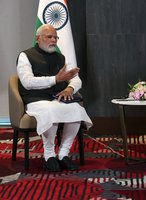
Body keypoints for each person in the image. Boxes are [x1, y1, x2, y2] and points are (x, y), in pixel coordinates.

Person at [17, 24, 93, 172]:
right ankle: (49, 155)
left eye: (55, 37)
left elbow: (76, 79)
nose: (53, 40)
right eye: (49, 37)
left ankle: (63, 154)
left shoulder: (61, 57)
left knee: (76, 109)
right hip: (36, 100)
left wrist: (70, 88)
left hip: (57, 99)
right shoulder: (25, 56)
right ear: (38, 38)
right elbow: (27, 82)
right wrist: (55, 79)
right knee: (50, 110)